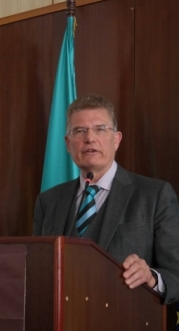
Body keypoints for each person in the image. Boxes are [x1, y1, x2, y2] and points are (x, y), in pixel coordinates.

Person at [34, 94, 179, 305]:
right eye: (79, 131)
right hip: (60, 320)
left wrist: (151, 277)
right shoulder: (48, 201)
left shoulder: (155, 195)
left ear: (116, 139)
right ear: (68, 144)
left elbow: (176, 275)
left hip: (126, 319)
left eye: (100, 129)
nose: (90, 138)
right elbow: (37, 271)